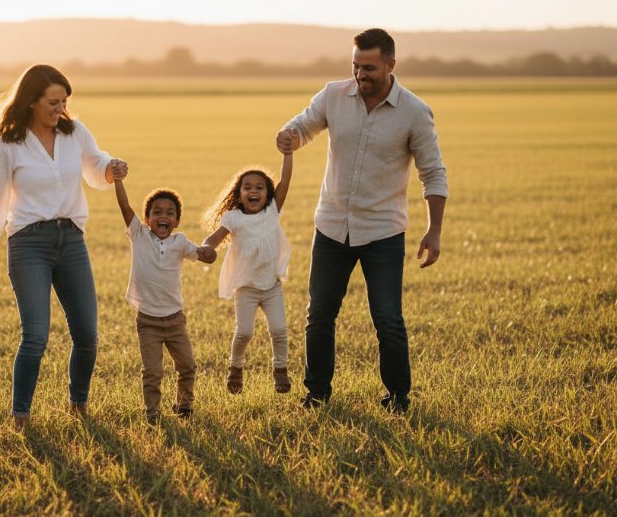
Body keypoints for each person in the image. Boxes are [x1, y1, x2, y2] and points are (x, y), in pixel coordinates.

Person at [276, 28, 448, 414]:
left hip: (383, 232)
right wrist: (288, 136)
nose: (360, 75)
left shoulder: (414, 113)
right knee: (319, 315)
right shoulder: (333, 95)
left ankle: (398, 397)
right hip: (332, 226)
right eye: (355, 66)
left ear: (390, 65)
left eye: (368, 67)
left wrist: (434, 230)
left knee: (387, 319)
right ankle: (317, 393)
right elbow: (303, 125)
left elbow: (433, 173)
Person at [0, 64, 127, 428]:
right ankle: (21, 417)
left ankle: (79, 407)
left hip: (71, 240)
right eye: (53, 102)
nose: (60, 109)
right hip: (29, 244)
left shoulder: (75, 133)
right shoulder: (8, 144)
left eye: (64, 102)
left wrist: (112, 167)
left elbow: (95, 165)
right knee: (36, 335)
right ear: (31, 102)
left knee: (87, 334)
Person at [113, 174, 216, 424]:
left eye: (170, 213)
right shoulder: (139, 234)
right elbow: (125, 207)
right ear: (146, 219)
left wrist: (208, 254)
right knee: (152, 371)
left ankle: (184, 407)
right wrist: (118, 181)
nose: (163, 216)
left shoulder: (180, 242)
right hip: (147, 321)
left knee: (187, 366)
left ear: (177, 221)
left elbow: (203, 256)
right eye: (157, 212)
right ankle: (152, 412)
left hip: (175, 320)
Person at [201, 150, 293, 395]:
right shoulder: (234, 218)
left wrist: (288, 154)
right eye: (248, 188)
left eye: (260, 187)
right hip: (246, 288)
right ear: (239, 196)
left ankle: (281, 370)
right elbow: (214, 238)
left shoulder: (272, 211)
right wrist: (206, 248)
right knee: (244, 332)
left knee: (279, 330)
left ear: (268, 193)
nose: (254, 191)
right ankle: (236, 368)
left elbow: (285, 180)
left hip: (272, 286)